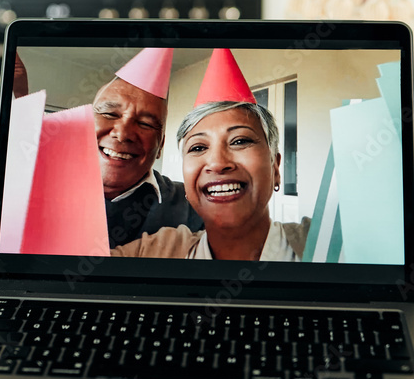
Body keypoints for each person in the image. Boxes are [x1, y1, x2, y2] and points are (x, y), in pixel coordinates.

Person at [111, 51, 312, 261]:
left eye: (240, 141)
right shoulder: (153, 251)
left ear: (276, 168)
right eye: (197, 147)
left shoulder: (325, 240)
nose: (217, 163)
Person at [14, 48, 203, 248]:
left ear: (160, 146)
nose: (122, 134)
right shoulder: (32, 184)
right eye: (109, 114)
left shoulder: (193, 207)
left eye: (146, 124)